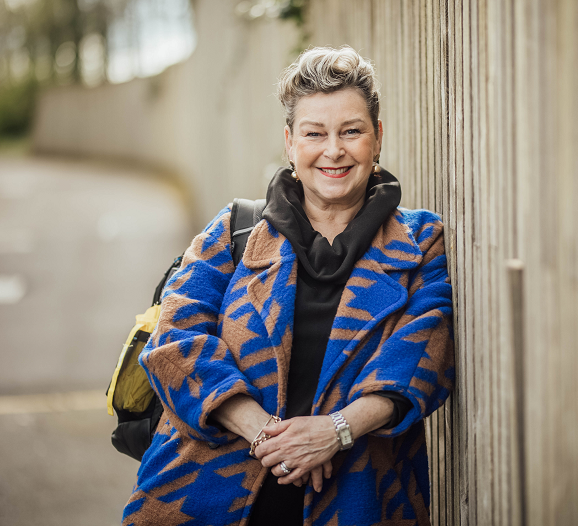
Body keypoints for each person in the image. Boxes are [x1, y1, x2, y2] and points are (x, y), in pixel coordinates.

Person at [121, 46, 455, 526]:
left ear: (377, 138)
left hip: (360, 498)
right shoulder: (234, 231)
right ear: (290, 143)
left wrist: (335, 431)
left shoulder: (420, 241)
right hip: (200, 497)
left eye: (352, 131)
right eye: (314, 133)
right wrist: (268, 436)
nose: (334, 150)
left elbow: (425, 357)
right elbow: (175, 341)